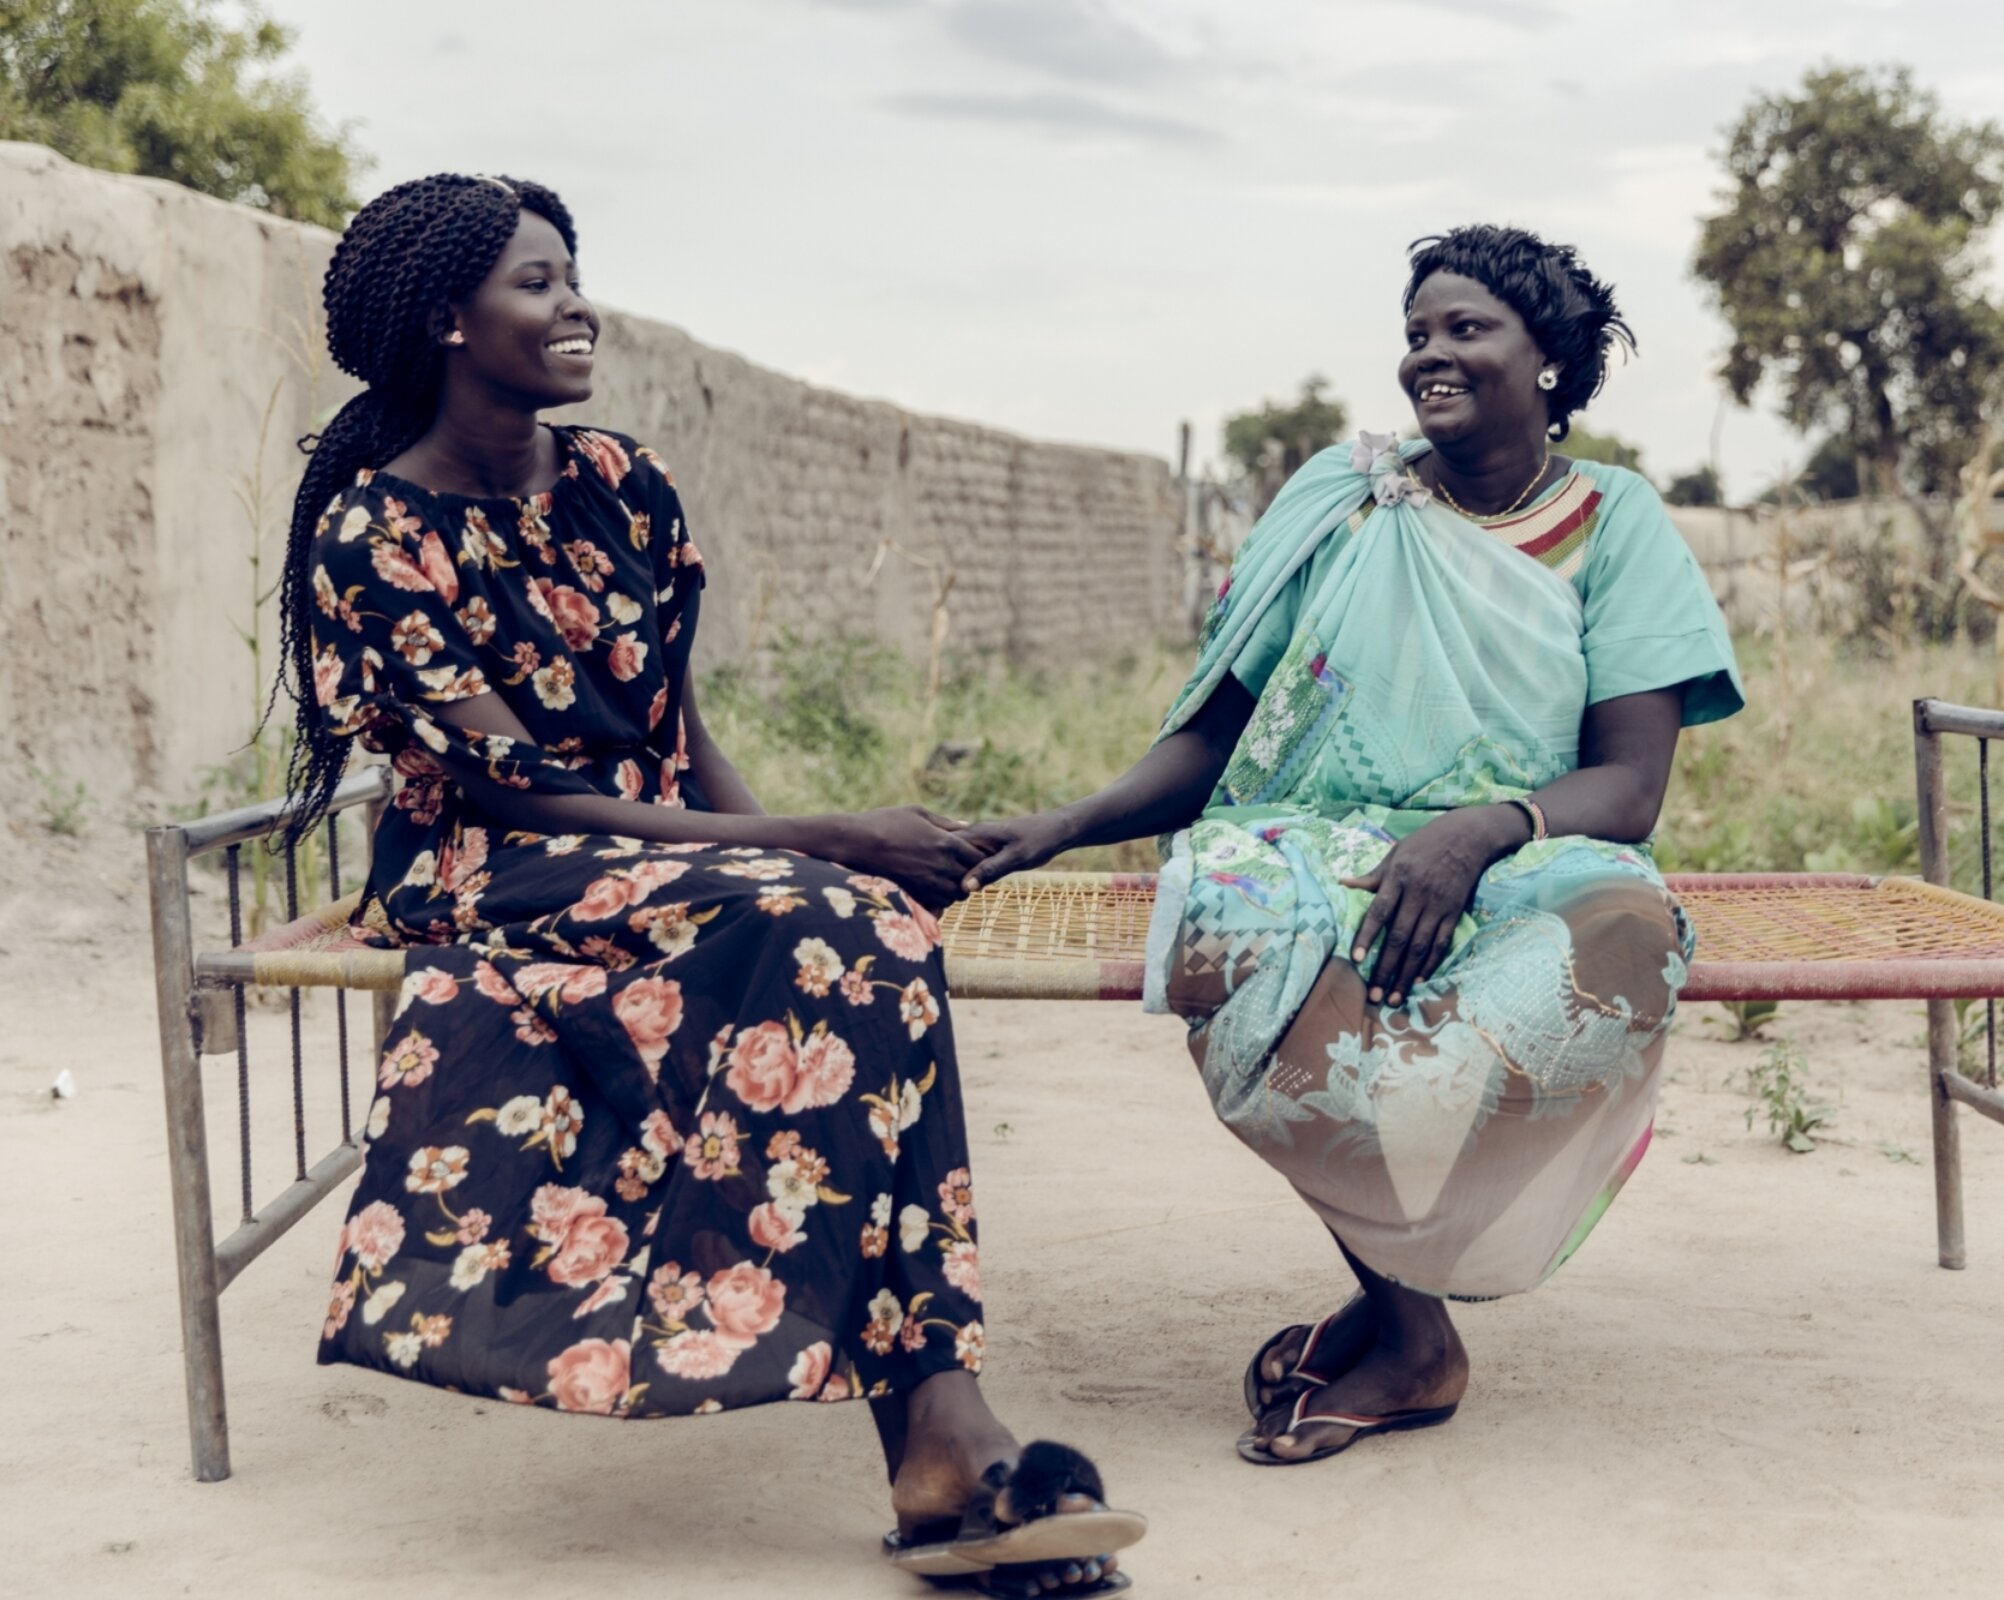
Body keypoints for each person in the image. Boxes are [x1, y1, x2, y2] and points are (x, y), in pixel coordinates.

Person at [278, 174, 1137, 1594]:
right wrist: (824, 843)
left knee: (862, 927)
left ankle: (941, 1435)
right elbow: (510, 792)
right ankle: (942, 1436)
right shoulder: (376, 537)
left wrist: (808, 852)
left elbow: (678, 724)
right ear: (442, 319)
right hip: (496, 863)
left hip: (661, 850)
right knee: (829, 914)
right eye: (537, 283)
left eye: (572, 276)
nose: (575, 306)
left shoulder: (624, 484)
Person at [961, 224, 1743, 1465]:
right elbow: (1218, 734)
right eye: (1417, 333)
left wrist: (1476, 834)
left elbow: (1631, 783)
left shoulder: (1616, 520)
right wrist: (1065, 826)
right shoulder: (1340, 499)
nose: (1431, 353)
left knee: (1618, 940)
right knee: (1236, 926)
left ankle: (1400, 1304)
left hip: (1526, 846)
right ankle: (1411, 1328)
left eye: (1466, 328)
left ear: (1549, 360)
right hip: (1307, 845)